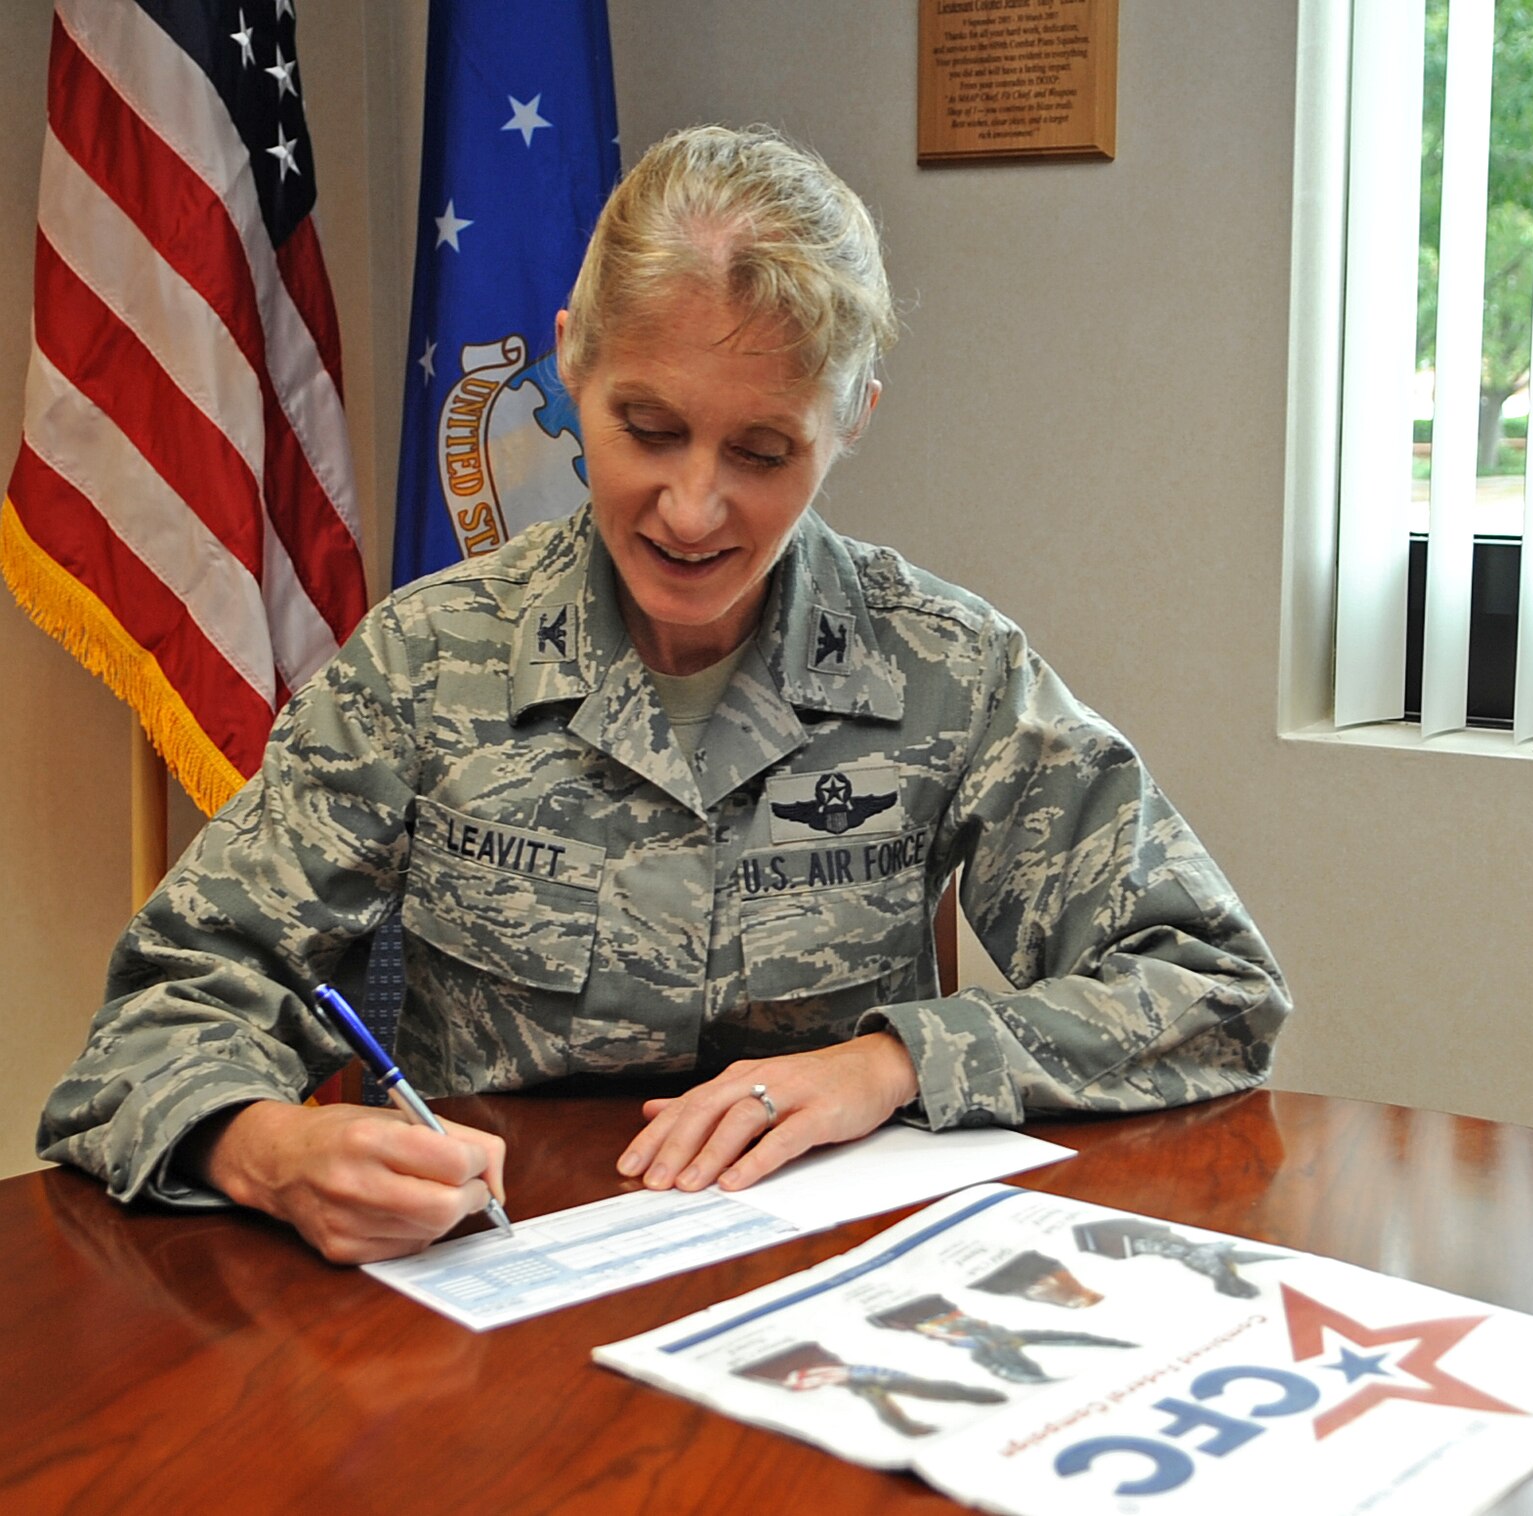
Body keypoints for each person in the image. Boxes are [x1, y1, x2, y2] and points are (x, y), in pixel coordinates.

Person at [39, 125, 1289, 1264]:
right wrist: (269, 1149)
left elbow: (1210, 986)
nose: (693, 511)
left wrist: (891, 1061)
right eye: (647, 429)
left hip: (824, 1288)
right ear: (571, 362)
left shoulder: (946, 670)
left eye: (761, 453)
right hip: (488, 1291)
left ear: (851, 417)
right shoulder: (424, 666)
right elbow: (160, 1015)